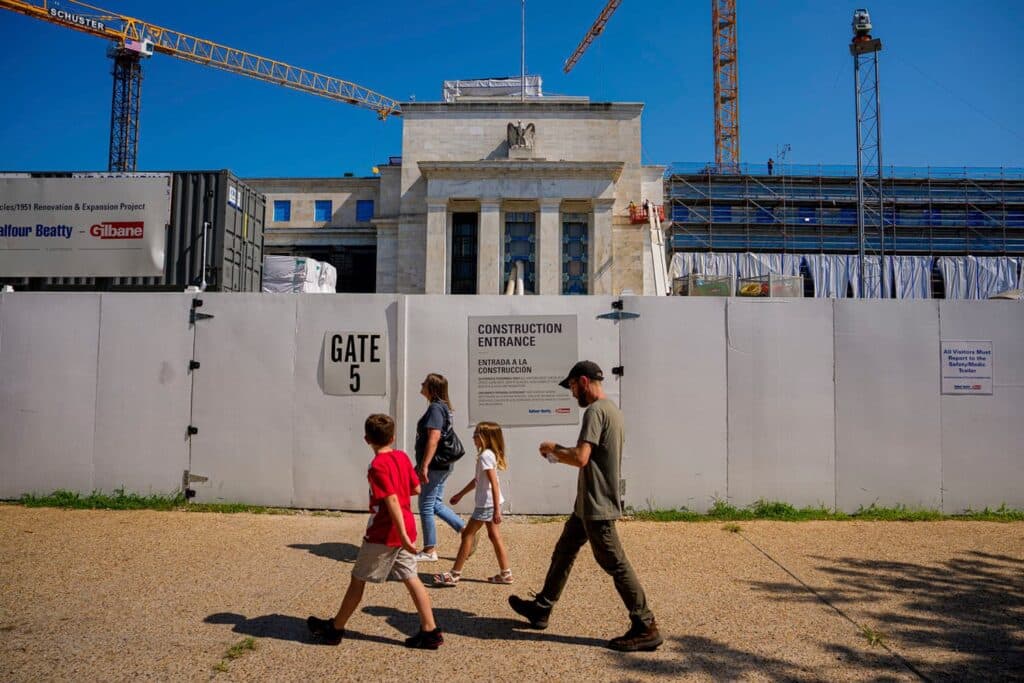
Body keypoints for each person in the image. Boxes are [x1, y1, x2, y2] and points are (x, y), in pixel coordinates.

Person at [508, 361, 662, 653]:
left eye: (572, 387)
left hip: (596, 505)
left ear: (583, 381)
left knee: (616, 563)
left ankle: (646, 625)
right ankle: (542, 608)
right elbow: (590, 457)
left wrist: (553, 449)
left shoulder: (594, 412)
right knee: (564, 551)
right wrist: (559, 454)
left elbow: (580, 457)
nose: (571, 393)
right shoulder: (613, 410)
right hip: (586, 504)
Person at [307, 414, 443, 649]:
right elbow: (417, 488)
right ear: (393, 437)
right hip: (407, 527)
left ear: (366, 439)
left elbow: (390, 500)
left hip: (384, 532)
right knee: (412, 578)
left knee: (358, 579)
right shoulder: (401, 456)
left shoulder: (377, 466)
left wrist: (399, 533)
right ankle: (430, 631)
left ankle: (335, 629)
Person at [432, 421, 513, 586]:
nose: (473, 436)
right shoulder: (488, 454)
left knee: (467, 534)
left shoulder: (485, 456)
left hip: (487, 504)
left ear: (485, 437)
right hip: (490, 503)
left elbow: (494, 483)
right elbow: (478, 480)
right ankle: (506, 574)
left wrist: (496, 509)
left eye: (477, 434)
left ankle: (454, 574)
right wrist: (460, 494)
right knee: (494, 536)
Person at [414, 373, 466, 561]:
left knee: (426, 506)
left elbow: (434, 438)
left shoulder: (436, 408)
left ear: (432, 388)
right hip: (443, 464)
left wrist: (424, 465)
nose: (421, 384)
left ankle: (429, 551)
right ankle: (465, 530)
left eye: (425, 382)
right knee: (434, 503)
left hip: (435, 465)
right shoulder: (443, 407)